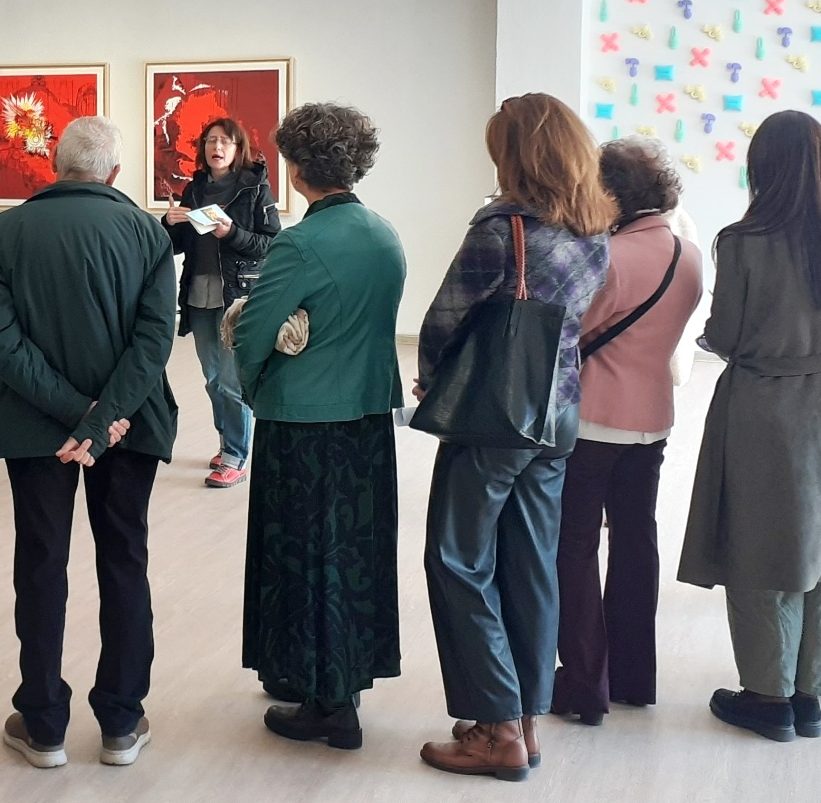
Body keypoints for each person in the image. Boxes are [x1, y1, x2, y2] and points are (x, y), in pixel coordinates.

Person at [415, 94, 616, 781]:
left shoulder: (502, 228)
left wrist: (429, 379)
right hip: (560, 412)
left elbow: (445, 317)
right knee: (532, 563)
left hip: (498, 415)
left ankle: (496, 729)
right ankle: (525, 721)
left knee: (458, 557)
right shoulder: (595, 229)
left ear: (516, 156)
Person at [0, 115, 177, 769]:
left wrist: (75, 414)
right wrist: (103, 417)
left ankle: (43, 725)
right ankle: (121, 721)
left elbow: (1, 342)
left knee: (40, 564)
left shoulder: (5, 231)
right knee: (124, 560)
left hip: (36, 429)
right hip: (130, 425)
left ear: (54, 166)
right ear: (114, 173)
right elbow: (155, 339)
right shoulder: (147, 232)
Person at [229, 103, 405, 750]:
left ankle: (325, 705)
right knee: (351, 555)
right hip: (367, 419)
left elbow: (253, 332)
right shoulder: (384, 235)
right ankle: (337, 679)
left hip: (303, 423)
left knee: (301, 558)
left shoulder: (301, 243)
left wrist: (254, 388)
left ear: (298, 168)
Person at [680, 110, 821, 743]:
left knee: (762, 546)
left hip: (766, 407)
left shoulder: (744, 240)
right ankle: (810, 695)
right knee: (816, 547)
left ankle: (769, 697)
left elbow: (727, 334)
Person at [553, 139, 703, 726]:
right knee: (637, 541)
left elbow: (570, 331)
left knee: (574, 545)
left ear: (610, 194)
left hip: (595, 418)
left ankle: (585, 684)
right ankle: (634, 676)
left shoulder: (609, 258)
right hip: (653, 417)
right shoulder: (688, 255)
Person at [162, 118, 281, 487]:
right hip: (198, 293)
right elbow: (177, 245)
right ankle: (227, 441)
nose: (217, 148)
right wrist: (169, 222)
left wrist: (231, 233)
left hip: (237, 294)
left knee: (231, 380)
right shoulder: (195, 188)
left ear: (238, 148)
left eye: (225, 142)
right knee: (213, 378)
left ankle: (235, 455)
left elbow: (271, 244)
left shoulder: (254, 187)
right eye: (211, 141)